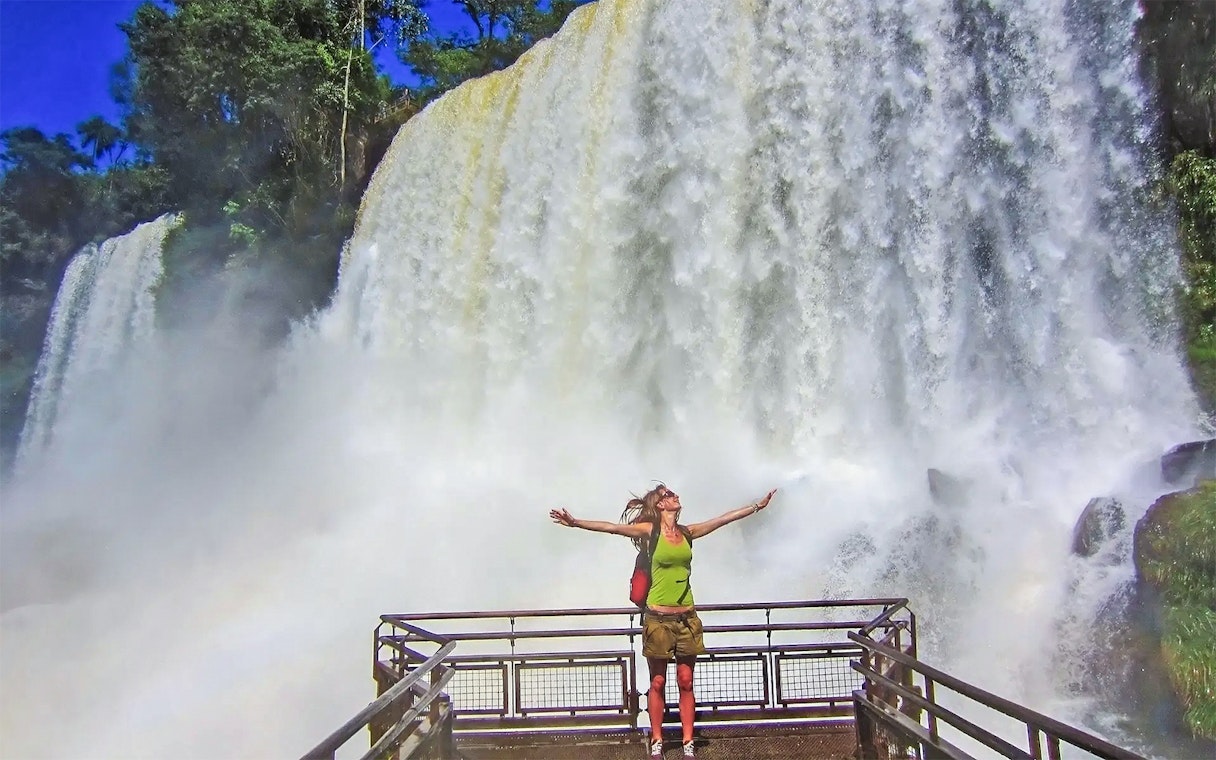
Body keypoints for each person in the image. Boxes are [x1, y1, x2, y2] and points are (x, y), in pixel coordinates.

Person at [550, 483, 777, 759]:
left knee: (686, 681)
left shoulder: (686, 533)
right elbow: (612, 527)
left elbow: (722, 519)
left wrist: (757, 506)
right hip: (658, 619)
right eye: (669, 494)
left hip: (686, 618)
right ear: (660, 505)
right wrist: (576, 523)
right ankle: (657, 739)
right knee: (657, 682)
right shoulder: (650, 532)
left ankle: (688, 741)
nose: (675, 495)